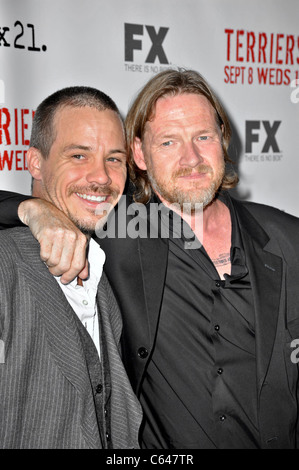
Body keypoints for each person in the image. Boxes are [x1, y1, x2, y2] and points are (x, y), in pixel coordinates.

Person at [1, 69, 299, 449]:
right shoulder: (117, 228)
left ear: (222, 140)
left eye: (203, 137)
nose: (192, 158)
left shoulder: (289, 240)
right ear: (139, 154)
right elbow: (71, 194)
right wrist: (34, 211)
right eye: (169, 142)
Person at [0, 86, 142, 449]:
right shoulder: (5, 264)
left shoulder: (105, 265)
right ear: (35, 162)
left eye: (114, 159)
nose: (101, 178)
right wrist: (29, 208)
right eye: (79, 155)